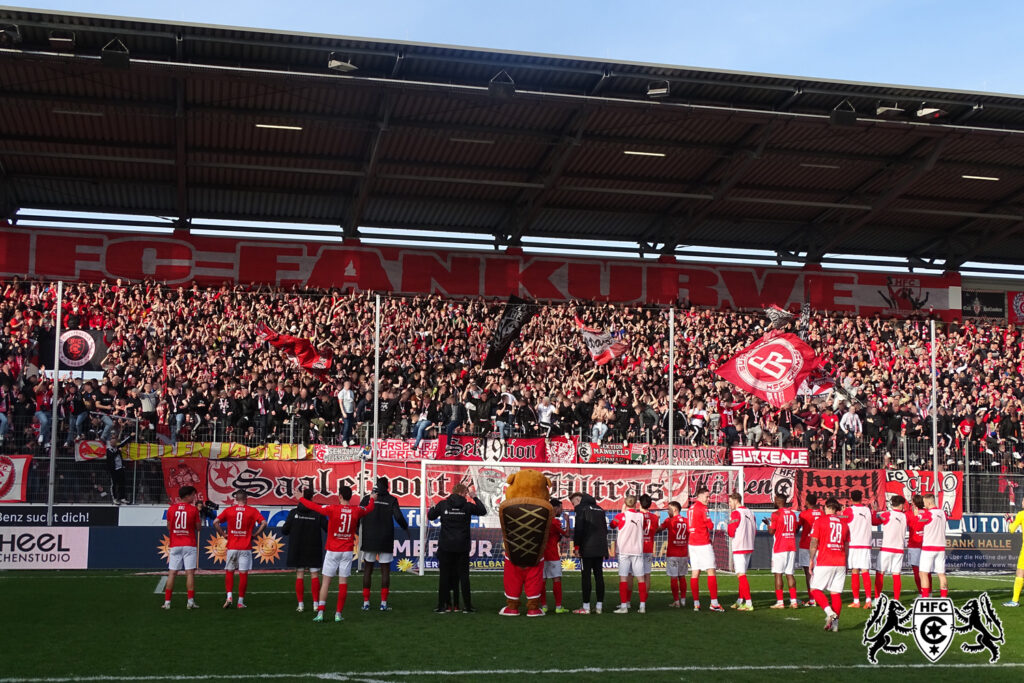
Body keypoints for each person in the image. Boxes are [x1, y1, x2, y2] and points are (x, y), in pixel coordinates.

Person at [300, 485, 376, 622]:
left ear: (339, 496)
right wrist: (372, 499)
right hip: (346, 551)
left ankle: (320, 613)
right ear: (350, 497)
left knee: (326, 583)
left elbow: (314, 507)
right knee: (343, 583)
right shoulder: (356, 510)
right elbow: (369, 509)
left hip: (332, 550)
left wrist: (300, 498)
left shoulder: (332, 509)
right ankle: (338, 614)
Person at [427, 482, 486, 613]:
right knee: (464, 577)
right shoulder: (467, 506)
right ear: (460, 493)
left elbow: (431, 516)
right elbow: (483, 511)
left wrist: (432, 508)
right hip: (462, 547)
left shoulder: (443, 504)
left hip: (446, 546)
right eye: (465, 493)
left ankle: (442, 606)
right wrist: (475, 497)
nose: (466, 495)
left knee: (444, 576)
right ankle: (467, 606)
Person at [359, 476, 412, 612]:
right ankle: (383, 603)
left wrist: (354, 530)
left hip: (369, 538)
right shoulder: (392, 500)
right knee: (385, 570)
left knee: (368, 569)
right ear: (387, 486)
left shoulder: (367, 499)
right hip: (385, 538)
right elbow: (398, 516)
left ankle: (366, 602)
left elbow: (357, 515)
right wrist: (405, 528)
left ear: (376, 485)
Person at [215, 490, 267, 609]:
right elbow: (264, 523)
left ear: (236, 499)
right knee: (243, 574)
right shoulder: (252, 511)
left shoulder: (229, 510)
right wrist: (255, 534)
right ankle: (240, 601)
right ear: (246, 498)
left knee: (229, 571)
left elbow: (215, 522)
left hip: (232, 547)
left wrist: (223, 534)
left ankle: (229, 597)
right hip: (245, 547)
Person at [282, 487, 326, 613]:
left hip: (298, 548)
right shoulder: (318, 513)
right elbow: (327, 528)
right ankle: (315, 604)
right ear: (312, 498)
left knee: (299, 575)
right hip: (313, 547)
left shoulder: (293, 512)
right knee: (314, 575)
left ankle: (301, 605)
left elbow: (284, 530)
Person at [809, 497, 849, 632]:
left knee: (814, 589)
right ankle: (835, 625)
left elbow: (814, 542)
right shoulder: (844, 524)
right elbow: (846, 545)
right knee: (835, 594)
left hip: (826, 560)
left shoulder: (820, 521)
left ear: (826, 507)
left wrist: (811, 560)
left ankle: (829, 612)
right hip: (841, 561)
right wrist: (846, 561)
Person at [162, 485, 202, 610]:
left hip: (175, 544)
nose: (194, 497)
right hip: (189, 543)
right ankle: (190, 602)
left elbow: (169, 526)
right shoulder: (193, 510)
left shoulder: (171, 509)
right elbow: (198, 527)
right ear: (188, 496)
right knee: (189, 573)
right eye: (193, 495)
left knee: (172, 573)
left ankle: (167, 603)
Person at [569, 491, 607, 614]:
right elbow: (605, 529)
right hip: (600, 547)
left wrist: (576, 546)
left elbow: (579, 529)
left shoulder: (581, 509)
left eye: (574, 502)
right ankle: (599, 606)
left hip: (587, 548)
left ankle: (586, 607)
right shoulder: (600, 509)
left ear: (580, 499)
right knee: (599, 576)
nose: (574, 506)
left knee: (586, 576)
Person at [688, 486, 723, 612]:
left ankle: (696, 603)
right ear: (700, 496)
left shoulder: (690, 508)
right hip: (702, 542)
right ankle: (714, 603)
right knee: (711, 571)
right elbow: (710, 525)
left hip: (692, 543)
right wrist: (710, 523)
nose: (708, 499)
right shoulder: (703, 508)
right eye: (707, 496)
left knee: (695, 573)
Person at [611, 495, 647, 614]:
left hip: (624, 551)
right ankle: (642, 606)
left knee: (623, 578)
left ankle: (624, 605)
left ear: (625, 504)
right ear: (636, 504)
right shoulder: (641, 516)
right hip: (637, 550)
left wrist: (622, 512)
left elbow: (612, 525)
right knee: (641, 578)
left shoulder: (621, 516)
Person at [911, 493, 948, 598]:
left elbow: (918, 527)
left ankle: (925, 598)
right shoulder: (943, 513)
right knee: (941, 574)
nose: (923, 504)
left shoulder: (927, 514)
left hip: (929, 547)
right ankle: (943, 598)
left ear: (928, 502)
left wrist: (916, 516)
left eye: (924, 502)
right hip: (940, 547)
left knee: (923, 573)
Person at [872, 494, 907, 602]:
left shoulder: (887, 514)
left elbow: (874, 522)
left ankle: (877, 598)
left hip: (886, 549)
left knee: (880, 573)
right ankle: (896, 600)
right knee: (896, 575)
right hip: (899, 550)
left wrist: (874, 511)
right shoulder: (905, 516)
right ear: (901, 505)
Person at [842, 490, 874, 609]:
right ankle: (868, 600)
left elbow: (842, 521)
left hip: (854, 544)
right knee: (865, 572)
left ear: (851, 499)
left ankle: (856, 601)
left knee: (855, 571)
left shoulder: (849, 510)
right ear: (862, 498)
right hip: (865, 544)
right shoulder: (867, 510)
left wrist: (842, 512)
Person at [767, 495, 799, 609]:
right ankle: (794, 601)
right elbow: (795, 529)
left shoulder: (775, 514)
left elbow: (771, 531)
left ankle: (780, 602)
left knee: (778, 573)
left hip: (780, 547)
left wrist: (768, 524)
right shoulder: (792, 514)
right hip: (791, 546)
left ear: (777, 501)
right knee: (790, 574)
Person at [541, 498, 570, 614]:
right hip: (553, 555)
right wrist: (567, 521)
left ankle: (543, 606)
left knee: (542, 580)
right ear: (556, 508)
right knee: (556, 579)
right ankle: (558, 607)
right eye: (561, 508)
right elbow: (567, 534)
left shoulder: (542, 520)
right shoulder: (555, 521)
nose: (562, 511)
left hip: (541, 555)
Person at [727, 492, 755, 611]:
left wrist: (730, 529)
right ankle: (740, 600)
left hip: (739, 545)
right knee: (742, 573)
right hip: (749, 545)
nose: (729, 504)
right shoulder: (750, 512)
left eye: (730, 502)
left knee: (740, 575)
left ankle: (748, 603)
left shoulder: (736, 513)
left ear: (735, 500)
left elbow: (731, 531)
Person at [658, 501, 688, 607]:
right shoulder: (686, 521)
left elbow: (658, 530)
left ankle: (676, 601)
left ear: (675, 509)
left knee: (674, 577)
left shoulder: (669, 521)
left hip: (673, 554)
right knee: (682, 576)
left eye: (669, 509)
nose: (667, 511)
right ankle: (683, 600)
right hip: (684, 553)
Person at [797, 493, 823, 607]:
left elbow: (797, 528)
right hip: (818, 545)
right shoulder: (822, 513)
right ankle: (818, 597)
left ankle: (812, 599)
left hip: (806, 545)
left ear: (807, 502)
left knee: (808, 572)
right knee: (817, 571)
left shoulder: (804, 514)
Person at [1004, 507, 1024, 606]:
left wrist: (1009, 521)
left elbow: (1012, 529)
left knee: (1020, 572)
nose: (1022, 502)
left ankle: (1015, 601)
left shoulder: (1021, 514)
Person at [906, 494, 926, 596]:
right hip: (926, 545)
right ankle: (928, 593)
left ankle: (921, 593)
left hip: (914, 545)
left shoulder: (909, 514)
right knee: (926, 571)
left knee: (917, 571)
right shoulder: (928, 512)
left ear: (913, 503)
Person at [638, 494, 659, 590]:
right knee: (647, 574)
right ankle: (644, 600)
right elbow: (655, 530)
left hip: (638, 548)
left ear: (640, 504)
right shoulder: (654, 517)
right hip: (649, 548)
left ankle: (629, 601)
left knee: (633, 575)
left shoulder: (637, 516)